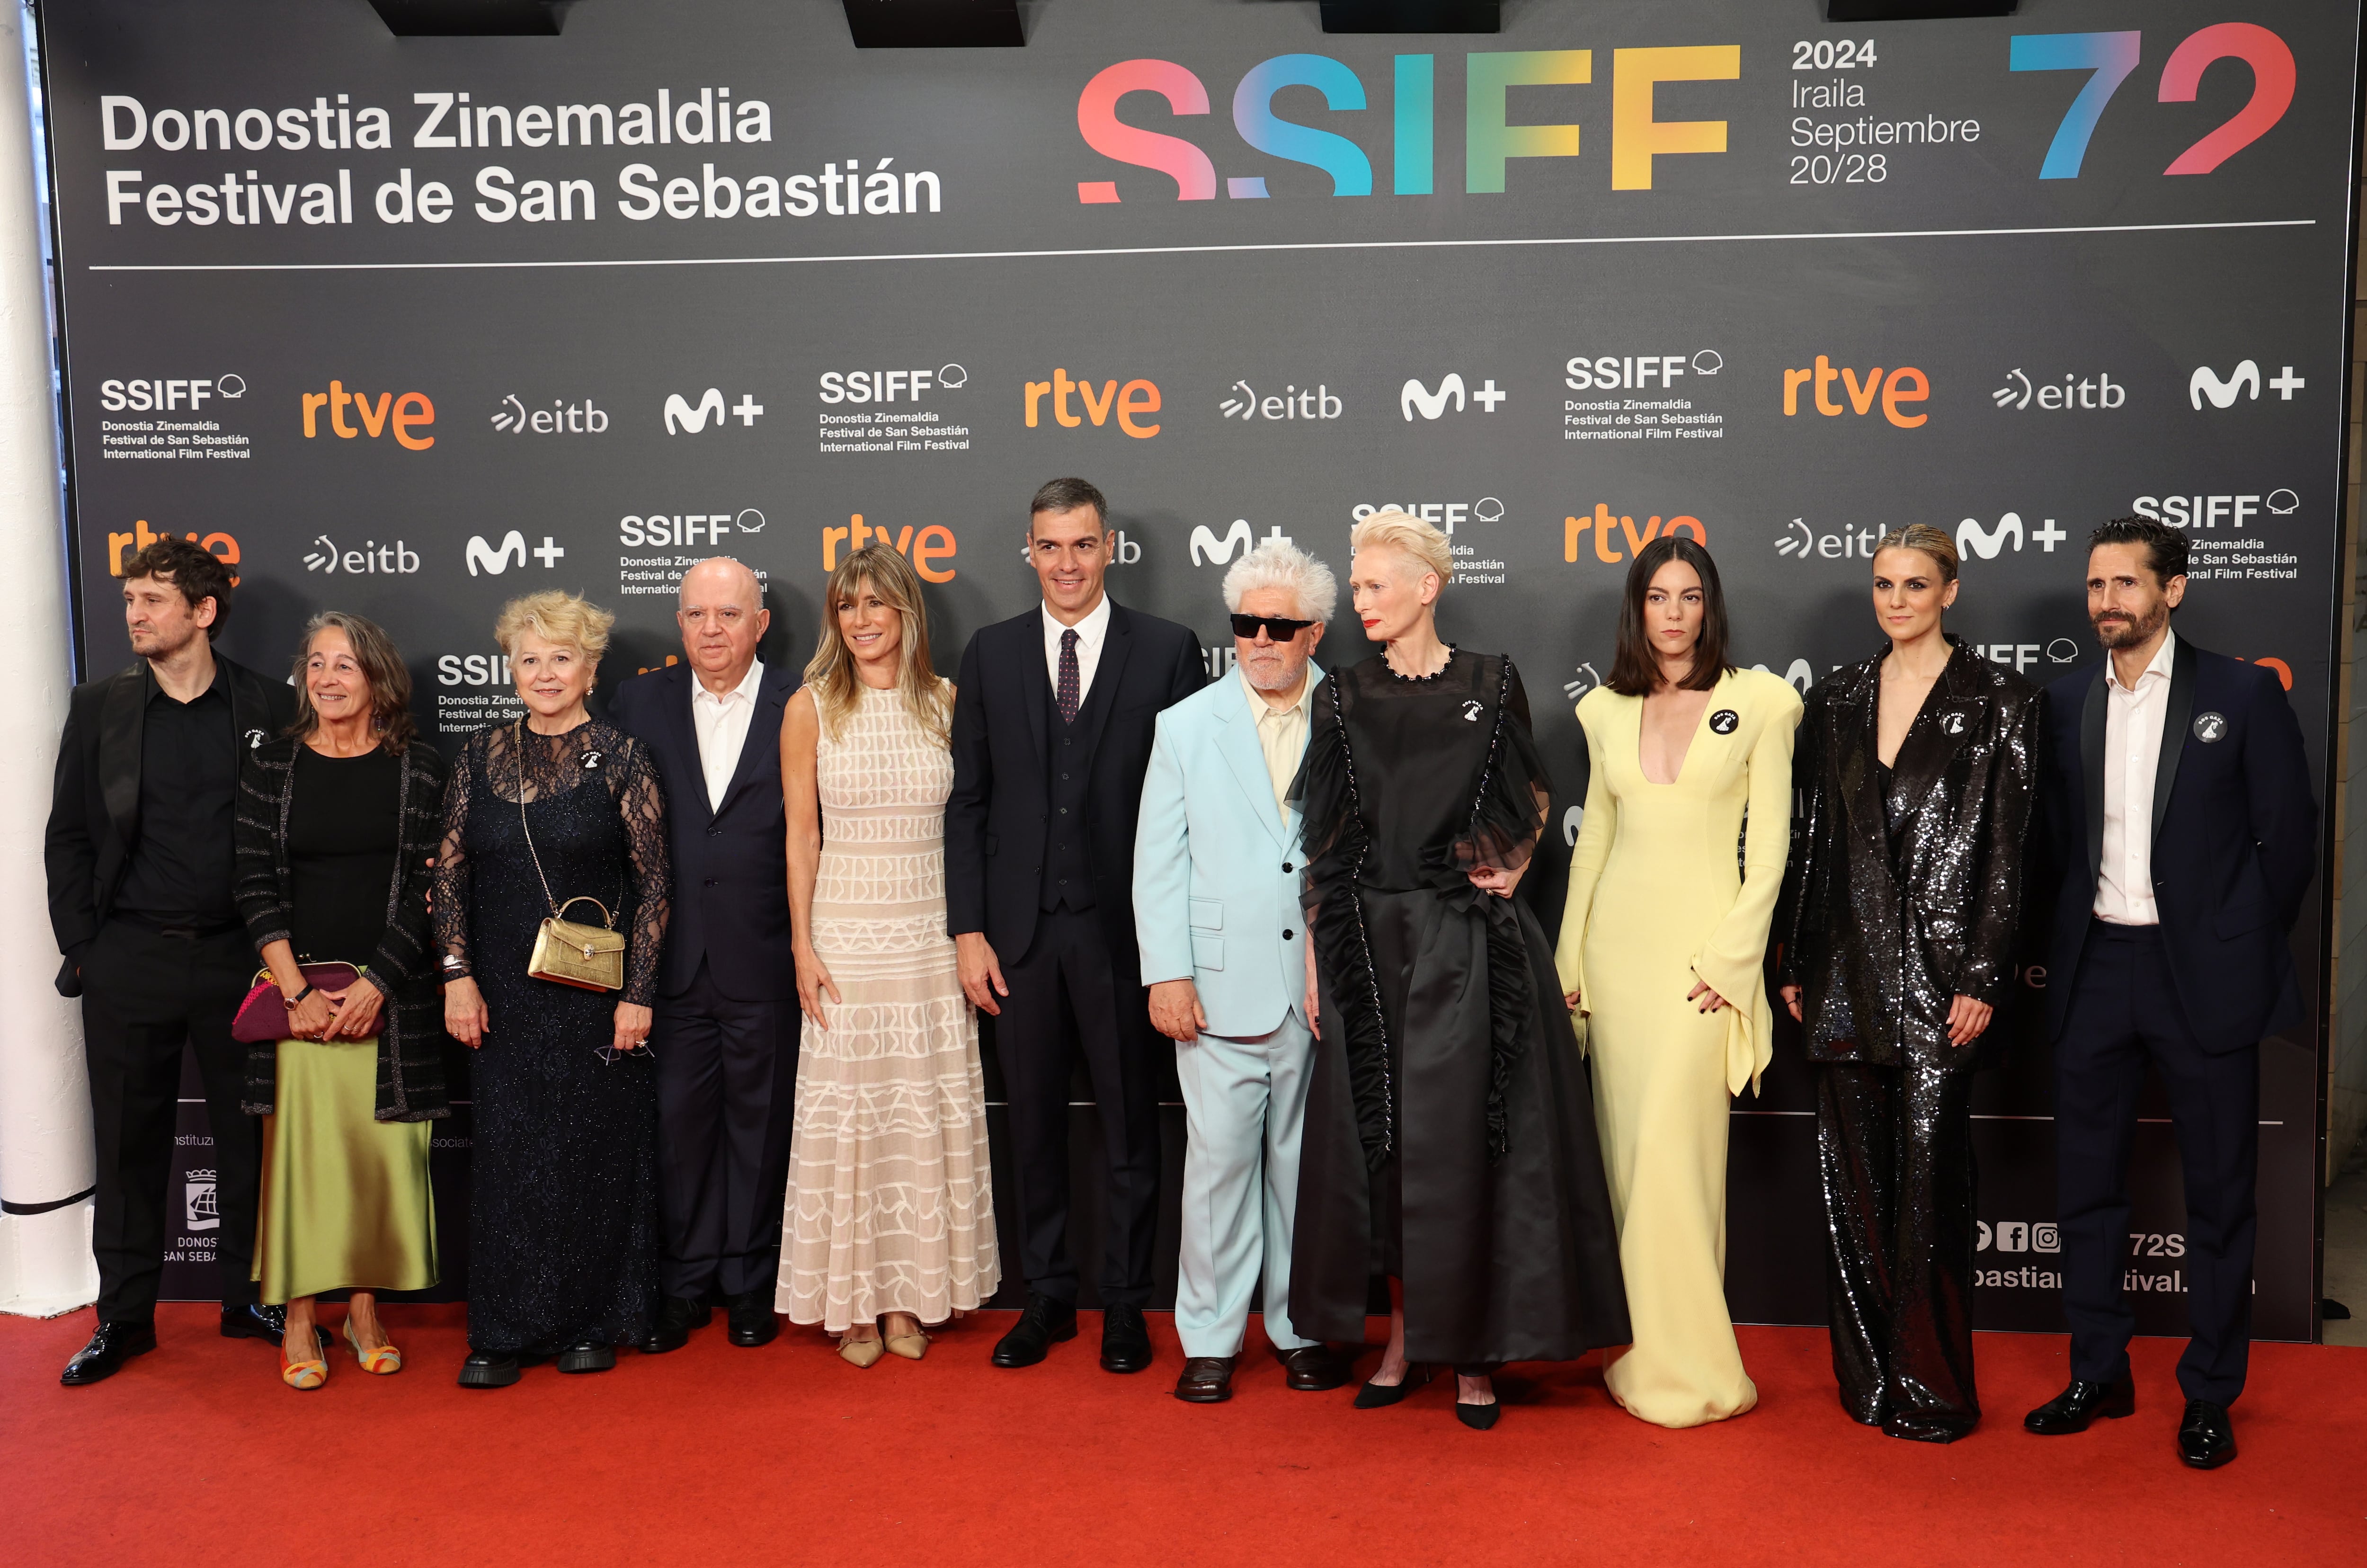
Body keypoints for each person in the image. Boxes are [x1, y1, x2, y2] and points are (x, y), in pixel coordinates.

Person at [1292, 510, 1629, 1431]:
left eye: (1373, 585)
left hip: (1472, 943)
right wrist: (1324, 959)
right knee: (1390, 1151)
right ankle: (1404, 1338)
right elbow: (1324, 841)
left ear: (1426, 586)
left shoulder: (1493, 682)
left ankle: (1474, 1356)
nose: (1358, 602)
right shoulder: (1343, 696)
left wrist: (1515, 855)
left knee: (1473, 1152)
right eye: (1354, 586)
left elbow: (1533, 795)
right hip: (1373, 946)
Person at [2024, 517, 2316, 1470]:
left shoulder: (2241, 691)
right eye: (2096, 584)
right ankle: (2098, 1370)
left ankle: (2209, 1393)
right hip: (2096, 972)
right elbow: (2053, 851)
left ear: (2172, 592)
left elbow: (2288, 841)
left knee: (2222, 1197)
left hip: (2204, 980)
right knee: (2085, 1190)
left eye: (2126, 585)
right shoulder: (2063, 701)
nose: (2107, 600)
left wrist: (2230, 941)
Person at [1776, 525, 2039, 1443]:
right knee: (1851, 1188)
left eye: (1915, 585)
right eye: (1883, 584)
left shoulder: (2001, 699)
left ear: (1949, 592)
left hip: (1939, 976)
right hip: (1845, 967)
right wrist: (1796, 960)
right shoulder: (1839, 696)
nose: (1896, 601)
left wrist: (1981, 973)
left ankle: (1930, 1387)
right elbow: (1812, 838)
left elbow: (2009, 851)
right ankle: (1867, 1382)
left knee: (1929, 1188)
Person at [946, 476, 1205, 1373]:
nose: (1067, 563)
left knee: (1133, 1125)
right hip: (1016, 937)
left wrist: (1174, 942)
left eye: (1083, 545)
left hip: (1126, 936)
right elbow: (968, 802)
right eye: (1050, 546)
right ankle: (1048, 1296)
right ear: (1030, 552)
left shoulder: (1168, 651)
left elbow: (1185, 809)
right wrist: (968, 930)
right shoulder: (990, 653)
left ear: (1109, 549)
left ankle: (1128, 1304)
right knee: (1033, 1126)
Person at [1556, 535, 1800, 1429]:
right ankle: (1640, 1356)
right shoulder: (1603, 713)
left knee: (1674, 1159)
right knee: (1628, 1163)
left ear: (1710, 606)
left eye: (1690, 596)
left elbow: (1769, 851)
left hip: (1702, 966)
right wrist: (1570, 963)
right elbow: (1596, 850)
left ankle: (1696, 1369)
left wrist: (1731, 964)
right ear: (1638, 607)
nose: (1673, 613)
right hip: (1616, 959)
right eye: (1659, 596)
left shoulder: (1764, 703)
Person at [46, 537, 298, 1386]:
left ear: (203, 612)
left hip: (240, 959)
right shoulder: (99, 709)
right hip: (129, 961)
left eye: (151, 602)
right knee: (126, 1148)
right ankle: (123, 1318)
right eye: (128, 602)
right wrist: (85, 951)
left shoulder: (266, 704)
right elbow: (70, 839)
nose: (134, 617)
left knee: (248, 1139)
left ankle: (247, 1299)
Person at [436, 591, 672, 1388]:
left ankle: (590, 1320)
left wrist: (638, 993)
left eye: (561, 658)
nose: (545, 673)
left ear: (590, 668)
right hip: (498, 995)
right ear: (511, 668)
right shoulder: (478, 757)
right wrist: (457, 977)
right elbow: (448, 880)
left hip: (594, 997)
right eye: (529, 658)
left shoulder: (625, 758)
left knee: (591, 1156)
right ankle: (503, 1331)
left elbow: (655, 886)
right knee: (508, 1161)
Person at [1134, 539, 1347, 1404]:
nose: (1260, 640)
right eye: (1247, 624)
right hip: (1217, 987)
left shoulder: (1353, 713)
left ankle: (1300, 1330)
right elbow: (1159, 861)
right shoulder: (1185, 725)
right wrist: (1168, 974)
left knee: (1305, 1171)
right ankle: (1212, 1337)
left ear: (1315, 632)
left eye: (1281, 626)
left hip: (1323, 986)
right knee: (1218, 1170)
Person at [778, 543, 999, 1365]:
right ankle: (853, 1308)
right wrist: (803, 945)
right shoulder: (810, 707)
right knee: (853, 1124)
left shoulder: (947, 702)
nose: (862, 621)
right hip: (846, 939)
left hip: (928, 938)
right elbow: (801, 839)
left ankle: (910, 1299)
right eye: (847, 606)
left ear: (908, 611)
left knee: (918, 1118)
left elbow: (970, 822)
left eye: (877, 604)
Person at [232, 613, 448, 1389]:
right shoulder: (275, 766)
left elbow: (431, 885)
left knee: (374, 1165)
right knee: (302, 1169)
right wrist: (296, 992)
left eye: (345, 666)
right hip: (298, 1007)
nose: (326, 679)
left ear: (377, 680)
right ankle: (298, 1316)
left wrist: (377, 982)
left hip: (387, 1005)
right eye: (316, 665)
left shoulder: (420, 768)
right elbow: (251, 879)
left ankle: (362, 1310)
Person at [607, 558, 801, 1354]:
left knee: (762, 1128)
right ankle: (685, 1283)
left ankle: (751, 1282)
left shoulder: (804, 698)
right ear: (679, 624)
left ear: (761, 623)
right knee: (679, 1128)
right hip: (671, 959)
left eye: (729, 615)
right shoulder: (638, 702)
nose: (712, 630)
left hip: (768, 955)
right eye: (696, 616)